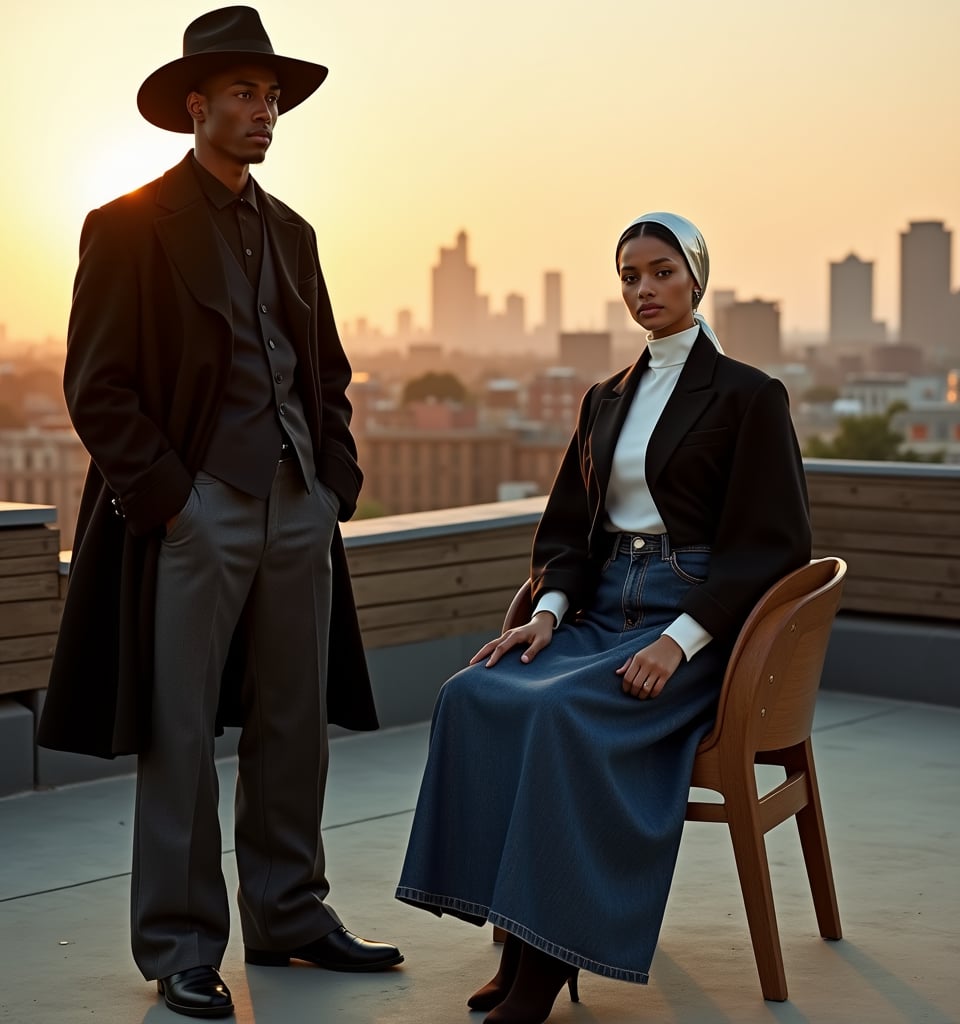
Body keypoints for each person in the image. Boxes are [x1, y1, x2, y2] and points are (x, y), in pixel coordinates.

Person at [38, 6, 402, 1019]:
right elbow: (97, 385)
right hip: (197, 512)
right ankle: (182, 942)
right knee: (182, 729)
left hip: (298, 509)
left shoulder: (293, 230)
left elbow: (325, 373)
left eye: (273, 97)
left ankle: (291, 915)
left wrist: (332, 484)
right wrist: (177, 502)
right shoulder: (127, 224)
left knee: (297, 723)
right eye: (246, 93)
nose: (265, 111)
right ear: (195, 106)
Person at [395, 212, 811, 1023]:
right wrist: (547, 612)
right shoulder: (603, 399)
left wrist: (680, 641)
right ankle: (518, 935)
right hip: (596, 607)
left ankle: (545, 962)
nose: (643, 289)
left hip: (692, 620)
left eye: (660, 271)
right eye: (628, 276)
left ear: (696, 277)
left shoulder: (750, 397)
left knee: (559, 717)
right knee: (472, 693)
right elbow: (565, 527)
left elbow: (772, 548)